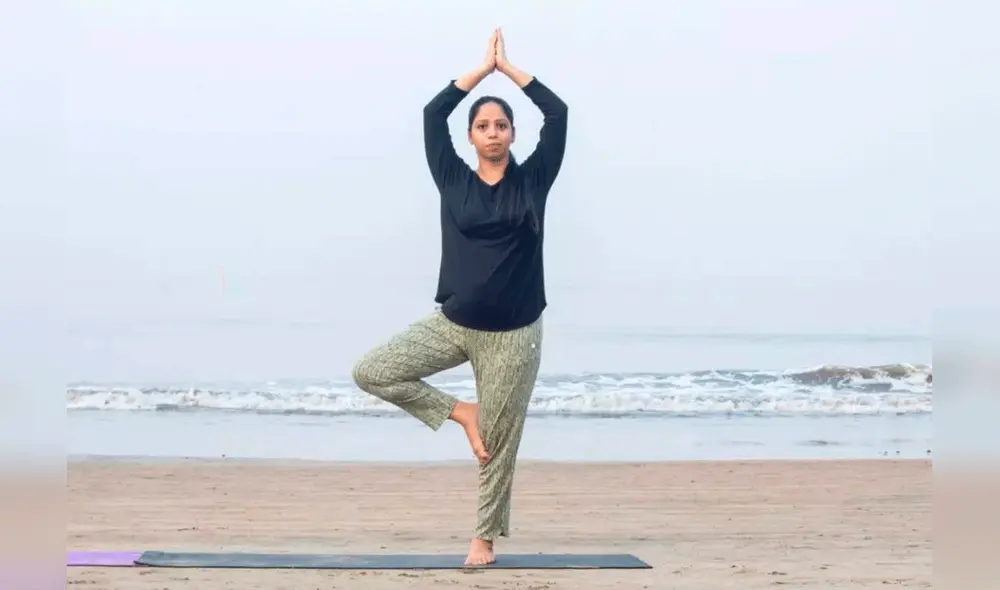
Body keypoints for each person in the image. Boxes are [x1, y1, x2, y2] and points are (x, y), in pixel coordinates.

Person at [351, 28, 568, 566]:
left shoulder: (533, 181)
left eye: (500, 125)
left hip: (514, 336)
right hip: (453, 322)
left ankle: (483, 541)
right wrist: (480, 71)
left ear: (513, 133)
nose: (492, 132)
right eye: (482, 125)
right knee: (373, 371)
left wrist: (511, 71)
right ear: (470, 136)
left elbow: (558, 113)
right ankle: (460, 412)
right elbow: (432, 114)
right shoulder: (452, 179)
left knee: (499, 445)